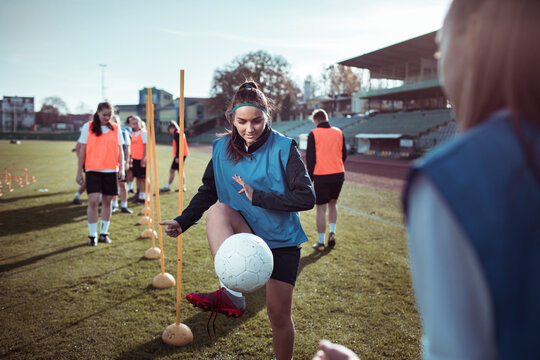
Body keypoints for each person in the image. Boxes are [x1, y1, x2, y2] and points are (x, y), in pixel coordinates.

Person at [313, 0, 540, 359]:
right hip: (339, 174)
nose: (439, 59)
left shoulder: (454, 178)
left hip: (325, 175)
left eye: (439, 46)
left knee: (323, 208)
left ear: (472, 38)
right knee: (334, 206)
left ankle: (322, 237)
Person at [161, 81, 315, 360]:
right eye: (242, 121)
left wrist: (260, 197)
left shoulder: (284, 147)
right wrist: (182, 221)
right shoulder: (221, 149)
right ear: (231, 118)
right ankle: (231, 293)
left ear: (267, 116)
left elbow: (307, 197)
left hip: (281, 242)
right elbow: (209, 189)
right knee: (218, 210)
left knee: (278, 315)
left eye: (257, 121)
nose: (250, 128)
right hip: (245, 235)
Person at [76, 102, 125, 246]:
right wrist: (79, 172)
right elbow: (82, 151)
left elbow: (120, 150)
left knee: (107, 201)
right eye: (104, 114)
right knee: (92, 200)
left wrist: (121, 169)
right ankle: (92, 235)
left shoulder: (116, 128)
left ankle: (104, 233)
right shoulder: (88, 127)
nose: (107, 117)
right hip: (92, 170)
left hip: (111, 170)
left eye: (110, 115)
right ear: (98, 112)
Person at [305, 108, 347, 251]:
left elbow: (310, 160)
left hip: (321, 175)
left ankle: (321, 242)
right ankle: (332, 232)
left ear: (316, 121)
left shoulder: (313, 134)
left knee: (321, 209)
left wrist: (310, 179)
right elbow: (344, 154)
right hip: (338, 174)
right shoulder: (339, 132)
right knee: (333, 203)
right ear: (326, 118)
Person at [110, 115, 133, 214]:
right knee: (113, 185)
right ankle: (114, 205)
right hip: (110, 163)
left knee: (123, 184)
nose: (114, 122)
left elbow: (127, 149)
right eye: (112, 120)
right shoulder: (107, 133)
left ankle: (124, 205)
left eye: (116, 121)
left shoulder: (124, 133)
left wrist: (127, 161)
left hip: (121, 163)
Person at [160, 120, 190, 193]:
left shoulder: (177, 134)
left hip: (180, 155)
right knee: (175, 170)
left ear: (172, 127)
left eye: (169, 129)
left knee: (176, 170)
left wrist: (177, 156)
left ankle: (177, 187)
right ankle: (174, 186)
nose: (169, 131)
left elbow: (179, 146)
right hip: (182, 154)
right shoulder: (179, 133)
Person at [128, 116, 147, 204]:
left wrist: (144, 159)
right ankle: (140, 195)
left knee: (142, 179)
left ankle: (144, 197)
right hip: (135, 159)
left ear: (140, 123)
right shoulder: (133, 133)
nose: (135, 125)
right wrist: (131, 158)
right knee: (138, 179)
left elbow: (146, 147)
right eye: (133, 124)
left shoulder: (143, 133)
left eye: (136, 124)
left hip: (141, 159)